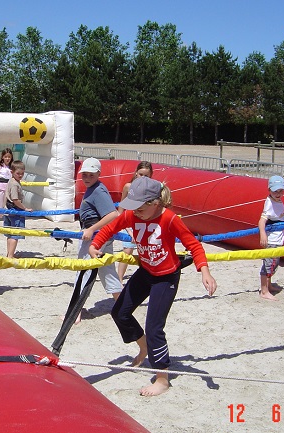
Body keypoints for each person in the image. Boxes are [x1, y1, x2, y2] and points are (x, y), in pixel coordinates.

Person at [89, 176, 217, 396]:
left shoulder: (169, 219)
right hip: (146, 272)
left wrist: (204, 271)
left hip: (166, 278)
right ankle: (144, 347)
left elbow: (193, 245)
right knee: (119, 312)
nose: (135, 212)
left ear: (154, 203)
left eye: (139, 207)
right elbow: (110, 228)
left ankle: (162, 378)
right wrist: (95, 244)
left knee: (154, 326)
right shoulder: (131, 214)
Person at [76, 158, 122, 303]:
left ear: (98, 174)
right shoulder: (93, 189)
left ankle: (75, 313)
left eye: (91, 175)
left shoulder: (98, 190)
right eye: (85, 174)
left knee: (83, 270)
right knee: (108, 272)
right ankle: (121, 304)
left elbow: (113, 214)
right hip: (102, 236)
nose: (87, 178)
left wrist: (91, 229)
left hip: (95, 237)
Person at [117, 161, 153, 283]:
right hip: (130, 225)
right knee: (127, 250)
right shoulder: (128, 187)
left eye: (146, 176)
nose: (142, 178)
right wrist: (128, 230)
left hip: (145, 224)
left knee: (146, 252)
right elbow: (121, 210)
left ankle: (145, 277)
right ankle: (119, 279)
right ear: (135, 173)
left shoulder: (152, 189)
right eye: (140, 174)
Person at [258, 175, 284, 301]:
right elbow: (262, 221)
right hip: (272, 241)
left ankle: (269, 285)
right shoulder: (269, 203)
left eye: (281, 191)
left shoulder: (278, 201)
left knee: (274, 264)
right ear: (269, 190)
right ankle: (264, 291)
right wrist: (263, 234)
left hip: (278, 239)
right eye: (275, 191)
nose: (278, 194)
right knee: (268, 265)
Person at [4, 160, 31, 258]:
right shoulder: (15, 184)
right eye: (18, 173)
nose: (20, 175)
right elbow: (15, 200)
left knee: (9, 233)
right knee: (15, 234)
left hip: (8, 209)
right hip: (15, 210)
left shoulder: (12, 181)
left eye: (22, 173)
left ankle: (9, 253)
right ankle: (10, 255)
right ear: (12, 172)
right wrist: (25, 209)